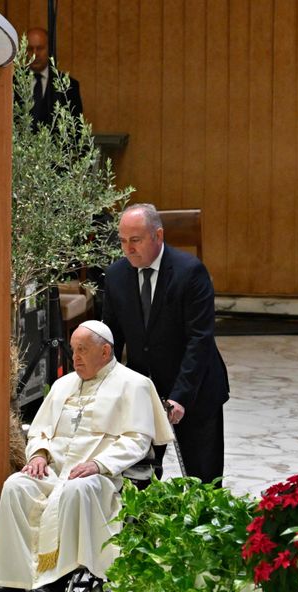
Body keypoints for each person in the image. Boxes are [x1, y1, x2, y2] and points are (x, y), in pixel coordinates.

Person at [0, 321, 172, 592]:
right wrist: (38, 454)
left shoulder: (134, 384)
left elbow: (137, 440)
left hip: (106, 479)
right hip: (57, 472)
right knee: (16, 484)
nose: (74, 357)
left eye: (82, 350)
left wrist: (98, 464)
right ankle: (10, 585)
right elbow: (40, 431)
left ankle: (55, 585)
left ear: (105, 351)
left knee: (77, 489)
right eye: (73, 349)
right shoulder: (63, 385)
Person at [102, 203, 229, 484]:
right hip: (145, 391)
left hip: (195, 389)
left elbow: (200, 339)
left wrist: (180, 396)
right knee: (139, 478)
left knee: (204, 481)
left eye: (135, 240)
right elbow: (110, 338)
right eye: (122, 241)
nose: (128, 249)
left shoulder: (190, 272)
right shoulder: (116, 277)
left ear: (157, 236)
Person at [24, 27, 83, 128]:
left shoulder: (68, 85)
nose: (35, 54)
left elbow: (75, 128)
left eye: (40, 48)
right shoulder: (11, 83)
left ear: (49, 49)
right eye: (30, 49)